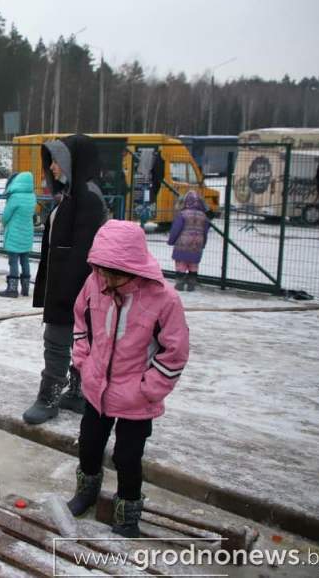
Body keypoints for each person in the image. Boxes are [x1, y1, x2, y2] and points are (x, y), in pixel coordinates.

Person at [64, 220, 190, 538]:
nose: (107, 280)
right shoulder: (95, 283)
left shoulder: (164, 299)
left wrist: (149, 389)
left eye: (115, 274)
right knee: (90, 446)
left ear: (135, 267)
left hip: (137, 398)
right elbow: (80, 319)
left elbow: (174, 352)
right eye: (102, 271)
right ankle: (87, 492)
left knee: (127, 457)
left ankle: (127, 512)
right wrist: (83, 360)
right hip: (96, 388)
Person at [25, 134, 108, 424]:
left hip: (73, 287)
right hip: (63, 283)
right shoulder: (73, 195)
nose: (53, 168)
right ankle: (76, 393)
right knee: (73, 341)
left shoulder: (88, 198)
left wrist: (66, 295)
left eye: (58, 161)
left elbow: (85, 251)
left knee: (57, 341)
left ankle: (48, 399)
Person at [0, 171, 36, 298]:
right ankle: (25, 289)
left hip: (14, 233)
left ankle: (12, 289)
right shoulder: (32, 196)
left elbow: (6, 216)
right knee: (25, 260)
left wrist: (4, 224)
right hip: (27, 234)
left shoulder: (15, 197)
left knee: (13, 261)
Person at [167, 191, 209, 291]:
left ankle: (180, 284)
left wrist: (171, 241)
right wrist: (203, 243)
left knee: (181, 264)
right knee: (193, 264)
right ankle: (191, 285)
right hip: (197, 244)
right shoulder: (204, 216)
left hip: (182, 243)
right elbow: (205, 231)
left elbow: (176, 229)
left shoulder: (182, 214)